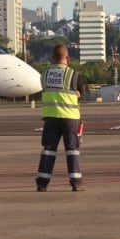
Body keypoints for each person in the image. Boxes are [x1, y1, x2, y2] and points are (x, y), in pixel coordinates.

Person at [35, 44, 84, 192]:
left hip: (51, 117)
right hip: (70, 118)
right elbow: (80, 94)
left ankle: (42, 183)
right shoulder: (74, 75)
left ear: (53, 58)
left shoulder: (44, 74)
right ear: (68, 58)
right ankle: (75, 182)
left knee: (48, 150)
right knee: (72, 150)